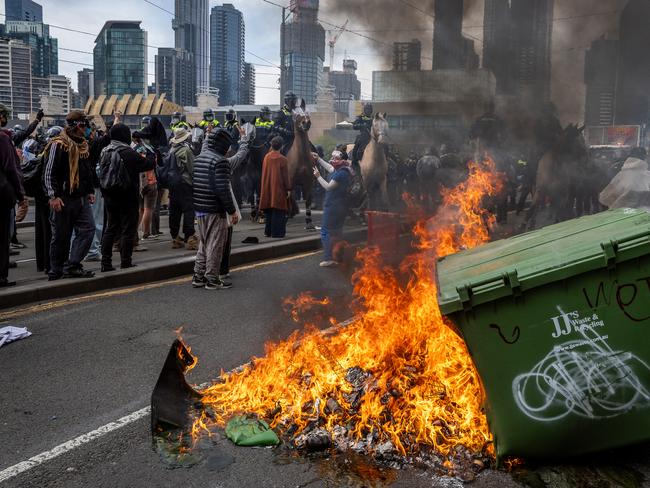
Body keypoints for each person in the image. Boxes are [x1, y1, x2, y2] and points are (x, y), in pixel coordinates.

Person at [192, 128, 249, 290]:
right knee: (216, 244)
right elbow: (223, 190)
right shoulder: (221, 161)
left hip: (200, 208)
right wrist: (231, 211)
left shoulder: (200, 158)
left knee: (204, 243)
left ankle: (198, 275)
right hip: (215, 210)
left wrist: (207, 134)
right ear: (224, 145)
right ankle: (212, 279)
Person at [42, 111, 97, 281]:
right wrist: (53, 196)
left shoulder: (83, 145)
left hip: (80, 198)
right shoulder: (58, 144)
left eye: (85, 125)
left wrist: (89, 191)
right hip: (63, 198)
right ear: (73, 126)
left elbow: (86, 171)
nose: (85, 129)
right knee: (61, 236)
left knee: (88, 229)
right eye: (82, 125)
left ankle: (73, 264)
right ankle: (56, 270)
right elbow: (48, 173)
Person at [99, 123, 156, 272]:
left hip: (109, 195)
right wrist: (149, 150)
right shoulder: (127, 152)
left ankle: (106, 263)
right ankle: (126, 261)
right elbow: (148, 164)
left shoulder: (105, 150)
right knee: (128, 229)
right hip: (127, 196)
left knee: (110, 229)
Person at [0, 103, 29, 287]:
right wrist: (20, 195)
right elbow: (11, 168)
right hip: (2, 194)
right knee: (3, 237)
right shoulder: (2, 139)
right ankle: (1, 276)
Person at [312, 150, 353, 268]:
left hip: (334, 207)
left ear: (343, 161)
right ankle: (338, 256)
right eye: (333, 157)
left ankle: (328, 258)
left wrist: (318, 176)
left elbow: (328, 187)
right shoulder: (342, 170)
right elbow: (330, 167)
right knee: (337, 232)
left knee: (325, 232)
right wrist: (318, 158)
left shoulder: (341, 174)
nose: (333, 160)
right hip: (340, 206)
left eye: (336, 158)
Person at [168, 127, 198, 250]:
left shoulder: (171, 150)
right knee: (188, 210)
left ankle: (175, 238)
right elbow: (192, 169)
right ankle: (190, 238)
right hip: (185, 184)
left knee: (174, 211)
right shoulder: (186, 150)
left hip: (172, 185)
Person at [259, 136, 291, 238]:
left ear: (271, 146)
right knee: (279, 210)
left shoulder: (266, 157)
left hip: (267, 187)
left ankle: (267, 232)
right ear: (281, 146)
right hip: (279, 188)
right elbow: (286, 176)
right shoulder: (283, 159)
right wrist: (288, 188)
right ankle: (277, 233)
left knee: (269, 210)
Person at [351, 103, 373, 168]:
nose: (368, 111)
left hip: (373, 137)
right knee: (356, 148)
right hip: (363, 136)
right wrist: (362, 125)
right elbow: (354, 126)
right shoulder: (361, 118)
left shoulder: (374, 119)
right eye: (367, 109)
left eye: (369, 109)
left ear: (371, 111)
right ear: (364, 110)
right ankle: (354, 163)